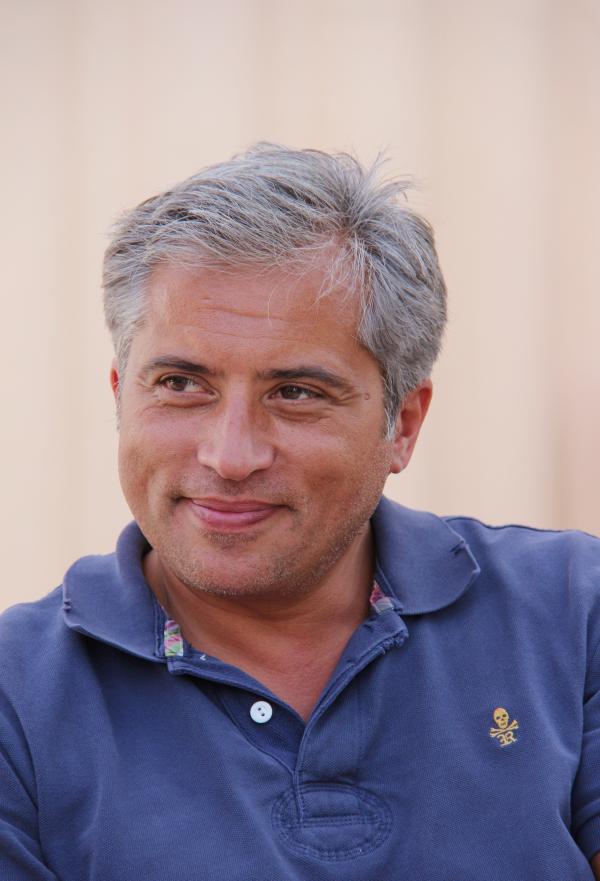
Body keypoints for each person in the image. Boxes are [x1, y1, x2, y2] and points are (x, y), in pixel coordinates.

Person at [1, 144, 600, 881]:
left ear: (403, 425)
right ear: (121, 396)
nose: (231, 455)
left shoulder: (572, 613)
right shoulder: (17, 698)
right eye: (181, 383)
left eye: (296, 393)